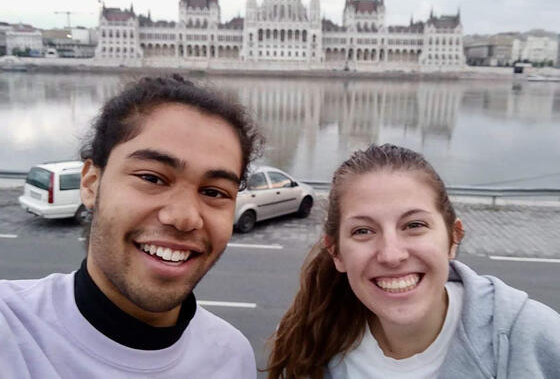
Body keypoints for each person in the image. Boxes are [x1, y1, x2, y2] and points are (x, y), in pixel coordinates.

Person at [0, 75, 262, 378]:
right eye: (151, 178)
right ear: (90, 184)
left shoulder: (233, 357)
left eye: (214, 192)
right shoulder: (11, 332)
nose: (184, 217)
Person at [267, 143, 560, 379]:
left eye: (414, 225)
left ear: (453, 238)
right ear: (336, 253)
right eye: (363, 231)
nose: (392, 255)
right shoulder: (306, 343)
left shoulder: (537, 338)